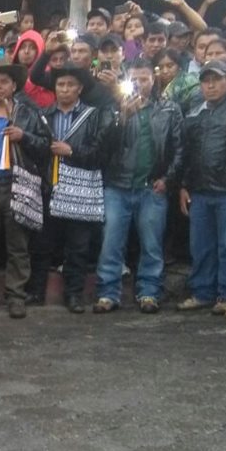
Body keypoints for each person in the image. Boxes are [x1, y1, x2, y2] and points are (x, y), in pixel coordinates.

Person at [94, 59, 183, 314]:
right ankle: (108, 293)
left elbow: (179, 148)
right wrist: (122, 117)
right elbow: (102, 146)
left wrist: (167, 179)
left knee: (152, 244)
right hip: (116, 186)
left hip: (151, 187)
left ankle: (149, 292)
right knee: (111, 242)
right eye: (134, 80)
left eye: (144, 79)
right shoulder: (113, 108)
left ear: (153, 80)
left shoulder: (170, 109)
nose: (140, 84)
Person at [0, 59, 51, 319]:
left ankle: (16, 296)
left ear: (14, 85)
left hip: (19, 185)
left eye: (4, 82)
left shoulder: (27, 113)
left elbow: (45, 146)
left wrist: (23, 136)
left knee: (18, 245)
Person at [39, 64, 117, 312]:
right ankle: (36, 292)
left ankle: (73, 295)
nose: (64, 89)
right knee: (44, 244)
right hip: (49, 187)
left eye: (70, 84)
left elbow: (101, 152)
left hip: (80, 190)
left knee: (78, 246)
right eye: (60, 84)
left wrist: (71, 151)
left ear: (80, 88)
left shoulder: (93, 116)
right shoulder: (44, 114)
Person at [174, 60, 226, 313]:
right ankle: (202, 292)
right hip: (200, 190)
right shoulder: (195, 111)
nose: (211, 85)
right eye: (206, 80)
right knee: (201, 246)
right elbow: (186, 151)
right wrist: (183, 185)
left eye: (217, 79)